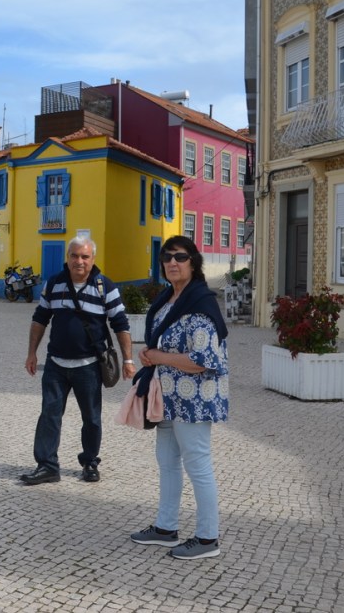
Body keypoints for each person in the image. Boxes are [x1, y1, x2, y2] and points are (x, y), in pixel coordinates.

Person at [128, 235, 229, 559]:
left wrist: (159, 357)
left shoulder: (200, 303)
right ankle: (166, 528)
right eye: (167, 257)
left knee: (197, 464)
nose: (173, 262)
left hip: (194, 400)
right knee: (167, 462)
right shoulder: (168, 299)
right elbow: (161, 343)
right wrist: (150, 354)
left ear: (193, 262)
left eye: (180, 257)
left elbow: (204, 360)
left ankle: (207, 538)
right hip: (168, 398)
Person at [22, 236, 137, 485]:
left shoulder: (105, 286)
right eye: (74, 256)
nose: (79, 261)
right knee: (49, 415)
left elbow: (120, 324)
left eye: (85, 256)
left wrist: (128, 360)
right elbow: (40, 318)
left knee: (92, 418)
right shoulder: (54, 283)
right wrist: (32, 353)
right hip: (56, 364)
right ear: (68, 258)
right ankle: (47, 466)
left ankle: (90, 462)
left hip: (90, 366)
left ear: (93, 259)